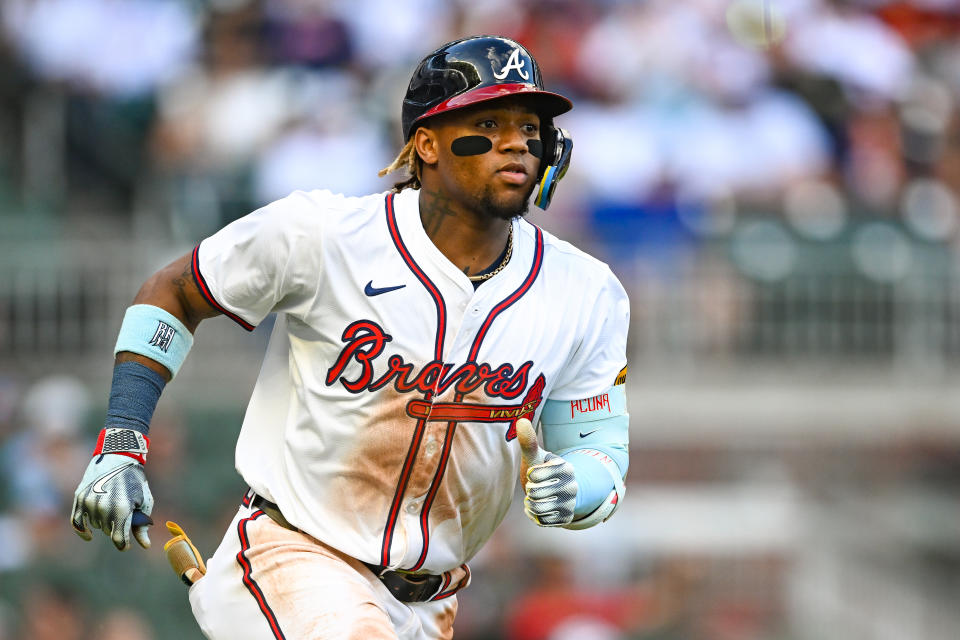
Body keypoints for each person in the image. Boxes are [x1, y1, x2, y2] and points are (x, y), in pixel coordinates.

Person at [69, 36, 631, 640]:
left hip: (433, 600)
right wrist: (121, 443)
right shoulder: (324, 233)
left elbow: (600, 450)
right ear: (427, 143)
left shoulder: (586, 290)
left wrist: (576, 485)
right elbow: (173, 291)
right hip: (296, 557)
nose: (518, 140)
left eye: (531, 125)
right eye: (488, 122)